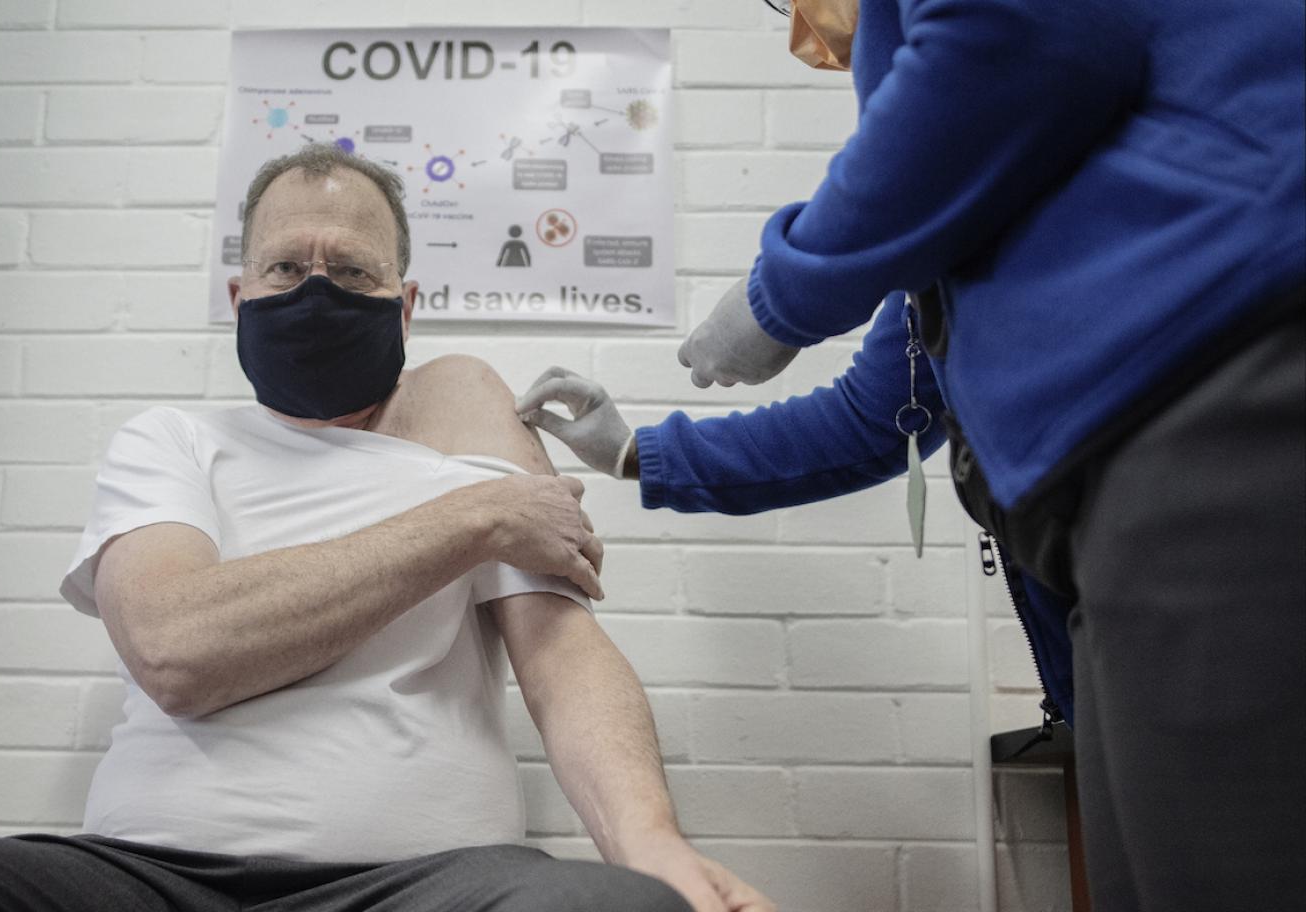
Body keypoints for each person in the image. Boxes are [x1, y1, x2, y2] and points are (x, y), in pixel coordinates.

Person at [517, 0, 1306, 908]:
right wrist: (636, 454)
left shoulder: (1035, 110)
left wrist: (789, 290)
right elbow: (880, 410)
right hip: (1126, 506)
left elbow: (1010, 37)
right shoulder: (1019, 190)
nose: (802, 30)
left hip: (1226, 404)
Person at [0, 144, 775, 912]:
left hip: (423, 884)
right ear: (239, 297)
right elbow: (175, 652)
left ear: (404, 308)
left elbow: (565, 662)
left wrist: (651, 845)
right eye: (285, 267)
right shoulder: (174, 442)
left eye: (350, 270)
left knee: (616, 906)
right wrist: (478, 516)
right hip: (148, 875)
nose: (316, 290)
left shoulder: (464, 437)